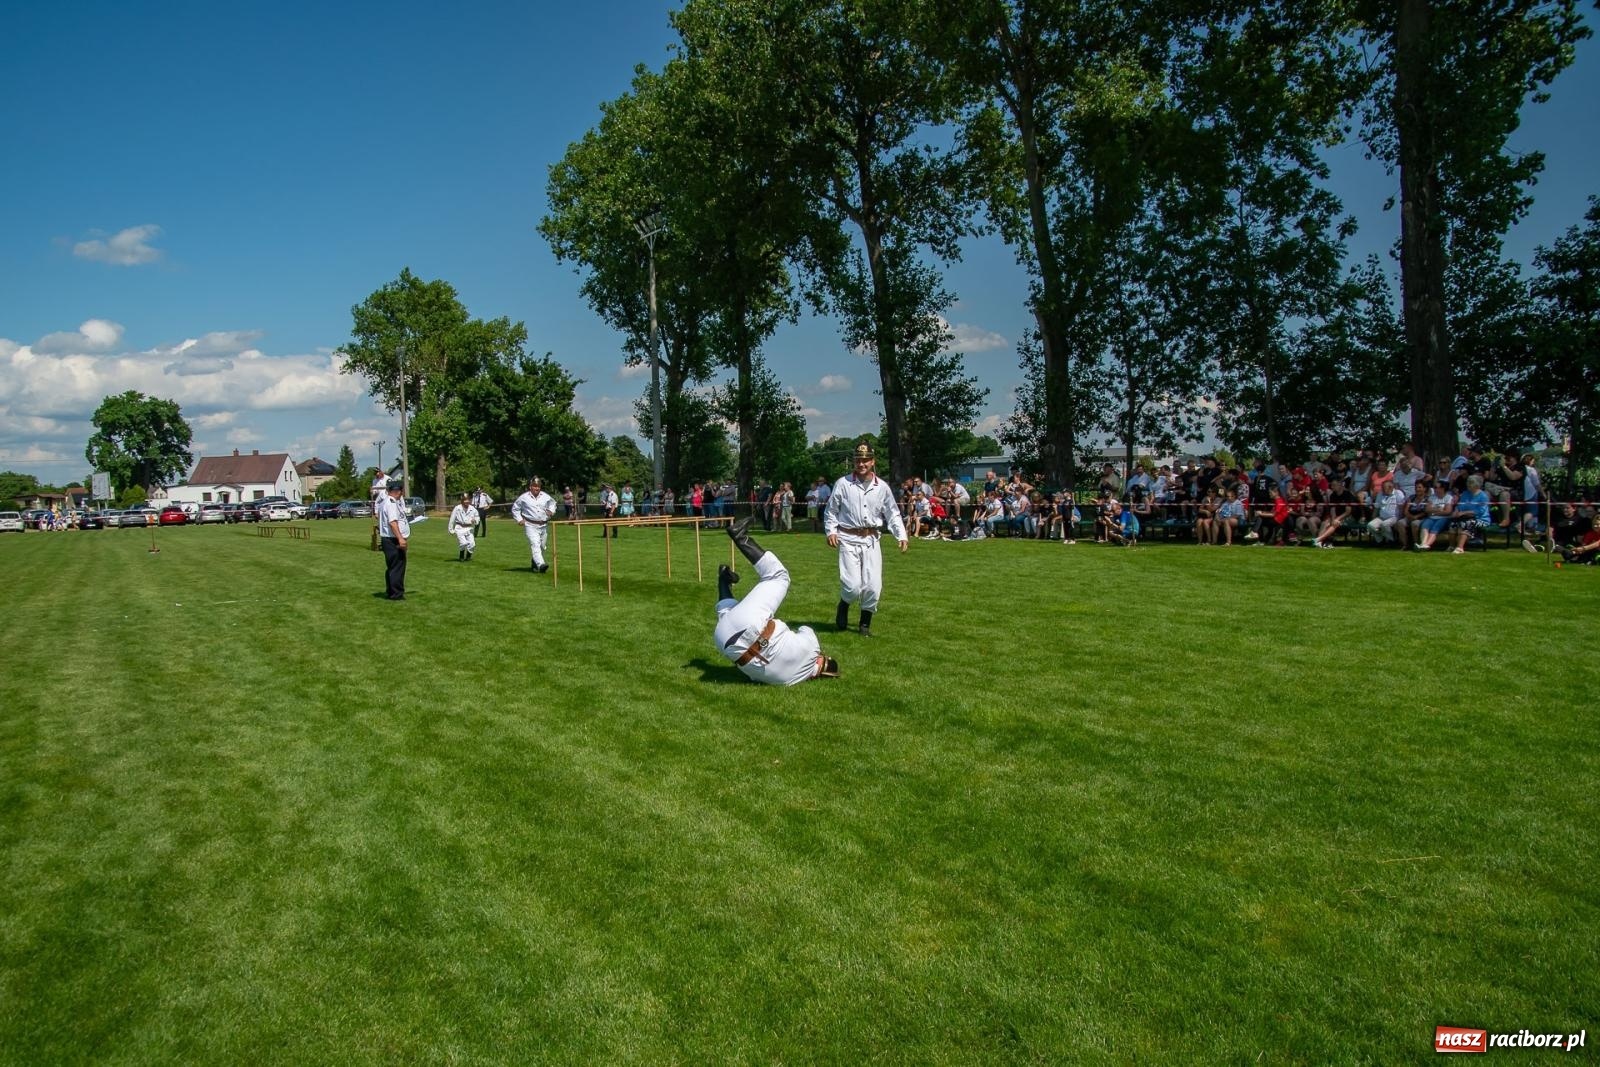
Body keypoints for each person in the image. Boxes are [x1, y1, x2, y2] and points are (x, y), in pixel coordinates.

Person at [714, 518, 840, 685]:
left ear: (822, 660)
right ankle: (723, 580)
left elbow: (805, 629)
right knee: (727, 616)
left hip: (752, 627)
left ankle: (740, 536)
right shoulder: (787, 682)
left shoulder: (813, 649)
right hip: (723, 641)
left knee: (779, 576)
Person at [824, 442, 908, 637]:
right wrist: (831, 531)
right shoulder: (843, 484)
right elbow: (831, 511)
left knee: (873, 585)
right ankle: (844, 604)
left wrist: (901, 535)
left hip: (871, 540)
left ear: (872, 461)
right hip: (848, 539)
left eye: (865, 460)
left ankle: (864, 624)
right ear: (854, 462)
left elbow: (893, 513)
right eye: (858, 460)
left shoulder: (882, 487)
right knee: (852, 585)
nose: (861, 464)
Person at [511, 477, 558, 573]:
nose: (537, 488)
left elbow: (553, 503)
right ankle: (541, 565)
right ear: (530, 487)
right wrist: (519, 519)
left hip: (543, 525)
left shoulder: (545, 496)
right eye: (535, 486)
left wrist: (551, 511)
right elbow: (515, 508)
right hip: (530, 525)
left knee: (542, 546)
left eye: (538, 486)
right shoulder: (524, 497)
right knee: (535, 543)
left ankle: (534, 562)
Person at [377, 478, 410, 600]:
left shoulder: (387, 502)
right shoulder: (390, 503)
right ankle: (396, 594)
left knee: (392, 566)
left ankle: (391, 591)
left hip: (389, 539)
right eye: (401, 490)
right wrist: (400, 539)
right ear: (397, 491)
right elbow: (393, 522)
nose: (402, 493)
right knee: (397, 566)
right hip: (392, 540)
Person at [448, 492, 479, 562]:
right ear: (462, 500)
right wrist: (451, 529)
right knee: (463, 543)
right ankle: (461, 556)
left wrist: (475, 520)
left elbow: (477, 517)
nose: (466, 501)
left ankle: (468, 557)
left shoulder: (472, 509)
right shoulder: (457, 508)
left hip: (469, 528)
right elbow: (452, 519)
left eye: (468, 500)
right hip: (459, 528)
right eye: (465, 500)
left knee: (472, 544)